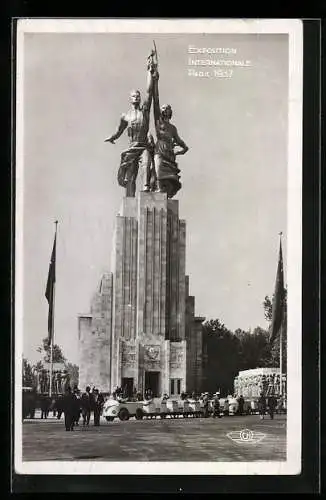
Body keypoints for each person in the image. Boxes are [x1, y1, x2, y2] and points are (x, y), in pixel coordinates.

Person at [104, 51, 158, 197]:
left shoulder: (144, 111)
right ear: (130, 99)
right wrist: (112, 138)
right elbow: (119, 130)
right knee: (131, 176)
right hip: (131, 148)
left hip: (143, 146)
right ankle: (130, 197)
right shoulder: (125, 116)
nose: (137, 97)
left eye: (138, 96)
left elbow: (149, 91)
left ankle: (146, 188)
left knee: (146, 164)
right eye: (134, 96)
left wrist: (149, 72)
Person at [152, 64, 189, 198]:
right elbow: (155, 100)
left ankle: (163, 192)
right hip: (159, 150)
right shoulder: (158, 122)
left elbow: (182, 143)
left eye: (167, 108)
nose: (164, 109)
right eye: (163, 108)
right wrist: (155, 80)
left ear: (170, 112)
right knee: (157, 168)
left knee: (169, 180)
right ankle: (158, 188)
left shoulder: (173, 128)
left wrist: (181, 150)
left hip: (169, 153)